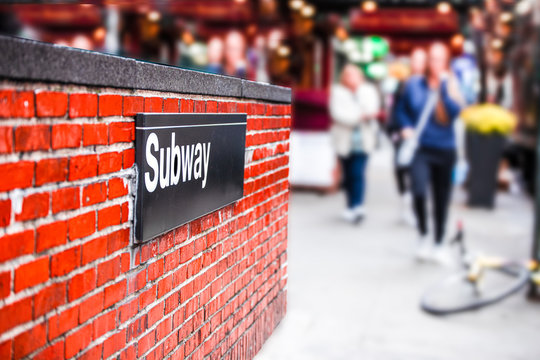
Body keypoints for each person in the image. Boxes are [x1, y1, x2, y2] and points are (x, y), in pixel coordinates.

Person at [395, 42, 465, 263]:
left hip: (445, 150)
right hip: (421, 149)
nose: (435, 63)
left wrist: (443, 87)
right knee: (418, 191)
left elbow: (455, 113)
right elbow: (401, 109)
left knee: (441, 199)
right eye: (432, 58)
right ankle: (423, 234)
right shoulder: (414, 84)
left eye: (440, 58)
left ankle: (438, 242)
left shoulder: (452, 85)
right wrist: (405, 126)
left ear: (446, 62)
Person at [330, 64, 380, 223]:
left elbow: (372, 110)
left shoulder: (368, 91)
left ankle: (358, 205)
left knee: (358, 173)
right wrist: (359, 116)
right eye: (348, 75)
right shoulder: (337, 92)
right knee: (347, 174)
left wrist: (357, 113)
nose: (351, 78)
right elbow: (338, 114)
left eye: (354, 75)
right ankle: (350, 205)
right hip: (344, 141)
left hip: (363, 140)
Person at [387, 48, 427, 225]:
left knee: (418, 175)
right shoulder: (403, 85)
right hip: (404, 136)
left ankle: (415, 207)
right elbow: (396, 110)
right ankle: (405, 200)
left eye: (421, 60)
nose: (417, 64)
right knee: (401, 169)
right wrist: (398, 129)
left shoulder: (431, 85)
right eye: (415, 60)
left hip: (424, 139)